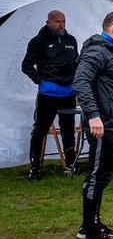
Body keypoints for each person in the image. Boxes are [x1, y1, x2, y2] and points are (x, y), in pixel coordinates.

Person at [73, 11, 113, 239]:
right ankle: (92, 235)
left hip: (112, 123)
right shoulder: (97, 51)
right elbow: (80, 82)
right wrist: (94, 116)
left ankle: (89, 225)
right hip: (102, 125)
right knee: (98, 176)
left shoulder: (112, 52)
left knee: (101, 175)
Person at [21, 10, 79, 180]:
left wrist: (75, 80)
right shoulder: (38, 41)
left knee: (68, 131)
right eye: (57, 22)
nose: (61, 25)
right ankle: (35, 169)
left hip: (68, 93)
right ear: (48, 22)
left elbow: (76, 61)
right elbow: (26, 65)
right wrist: (40, 80)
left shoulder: (71, 40)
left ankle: (70, 165)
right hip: (48, 94)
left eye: (64, 21)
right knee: (40, 130)